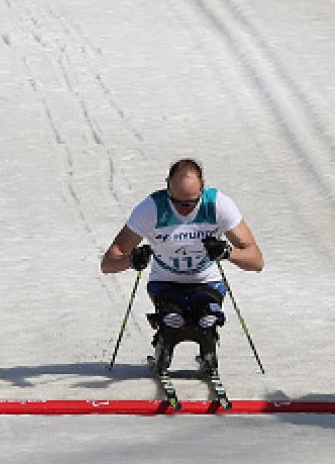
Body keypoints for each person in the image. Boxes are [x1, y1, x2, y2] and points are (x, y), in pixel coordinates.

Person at [101, 158, 263, 372]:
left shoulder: (217, 204)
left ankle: (208, 349)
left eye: (191, 203)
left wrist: (227, 252)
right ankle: (164, 345)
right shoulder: (151, 208)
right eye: (177, 202)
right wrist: (131, 260)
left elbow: (256, 260)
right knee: (172, 320)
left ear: (202, 189)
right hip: (165, 283)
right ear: (167, 186)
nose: (184, 209)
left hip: (207, 282)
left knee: (208, 319)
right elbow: (108, 263)